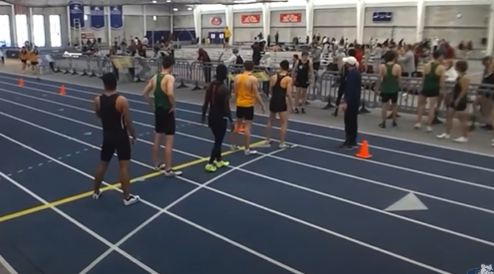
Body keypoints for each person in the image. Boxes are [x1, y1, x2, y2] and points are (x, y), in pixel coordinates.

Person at [92, 73, 139, 206]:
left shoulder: (98, 100)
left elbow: (98, 114)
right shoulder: (121, 100)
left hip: (107, 136)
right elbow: (127, 121)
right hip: (120, 136)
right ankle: (126, 197)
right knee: (123, 167)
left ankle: (96, 191)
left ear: (104, 84)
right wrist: (133, 135)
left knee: (103, 164)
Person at [142, 55, 182, 176]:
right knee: (169, 140)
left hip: (158, 110)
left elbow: (144, 93)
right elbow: (170, 92)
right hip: (167, 110)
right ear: (171, 66)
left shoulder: (155, 77)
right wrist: (174, 106)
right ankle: (168, 169)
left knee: (157, 137)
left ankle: (157, 164)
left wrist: (151, 104)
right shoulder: (169, 77)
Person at [201, 64, 233, 172]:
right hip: (220, 117)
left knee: (217, 138)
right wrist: (231, 120)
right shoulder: (224, 89)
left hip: (211, 116)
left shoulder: (210, 86)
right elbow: (226, 107)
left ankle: (219, 160)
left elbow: (205, 103)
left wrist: (203, 116)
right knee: (218, 141)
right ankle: (210, 163)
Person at [231, 60, 265, 155]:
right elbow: (256, 94)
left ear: (244, 67)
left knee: (237, 125)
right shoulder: (253, 79)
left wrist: (237, 100)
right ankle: (247, 149)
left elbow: (235, 91)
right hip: (248, 105)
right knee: (247, 128)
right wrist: (262, 104)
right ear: (253, 68)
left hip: (240, 104)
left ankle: (233, 145)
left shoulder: (237, 77)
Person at [436, 61, 470, 143]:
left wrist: (458, 99)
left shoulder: (465, 78)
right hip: (455, 98)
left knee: (462, 119)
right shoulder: (459, 76)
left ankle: (465, 136)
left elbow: (464, 90)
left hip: (460, 100)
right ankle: (447, 133)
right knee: (449, 115)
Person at [265, 60, 294, 148]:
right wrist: (292, 105)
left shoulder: (273, 77)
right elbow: (289, 93)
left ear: (280, 67)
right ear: (288, 68)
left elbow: (270, 90)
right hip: (281, 101)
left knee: (270, 120)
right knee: (284, 123)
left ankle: (267, 140)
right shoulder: (288, 79)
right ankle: (281, 143)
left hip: (274, 100)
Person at [415, 50, 445, 132]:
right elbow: (442, 81)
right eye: (442, 56)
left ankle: (418, 122)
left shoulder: (426, 65)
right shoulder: (441, 68)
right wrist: (442, 90)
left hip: (425, 87)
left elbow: (423, 78)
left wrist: (421, 86)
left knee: (421, 105)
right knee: (432, 107)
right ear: (439, 57)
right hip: (434, 88)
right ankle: (428, 125)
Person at [338, 56, 361, 149]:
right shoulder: (354, 73)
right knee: (352, 121)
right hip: (354, 100)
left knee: (349, 121)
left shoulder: (352, 74)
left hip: (351, 101)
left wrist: (346, 102)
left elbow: (350, 89)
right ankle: (352, 140)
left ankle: (350, 141)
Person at [378, 50, 401, 128]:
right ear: (394, 58)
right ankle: (394, 121)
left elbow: (380, 78)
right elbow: (399, 79)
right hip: (394, 88)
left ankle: (383, 122)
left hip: (385, 89)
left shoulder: (382, 67)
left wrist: (378, 88)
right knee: (394, 105)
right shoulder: (397, 67)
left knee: (384, 106)